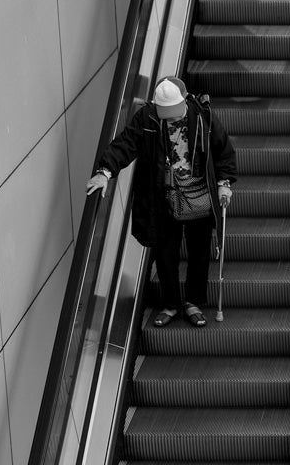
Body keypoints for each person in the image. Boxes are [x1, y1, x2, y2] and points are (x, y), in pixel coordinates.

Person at [86, 76, 237, 327]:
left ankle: (193, 302)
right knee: (165, 254)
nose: (172, 118)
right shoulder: (147, 118)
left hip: (199, 194)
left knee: (199, 252)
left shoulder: (202, 114)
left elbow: (223, 149)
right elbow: (125, 144)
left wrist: (224, 184)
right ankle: (171, 304)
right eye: (165, 113)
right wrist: (104, 172)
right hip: (163, 197)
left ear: (184, 101)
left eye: (175, 112)